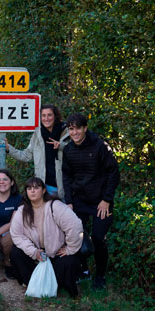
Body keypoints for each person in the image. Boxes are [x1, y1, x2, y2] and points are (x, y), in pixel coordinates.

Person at [62, 113, 120, 290]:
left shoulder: (100, 146)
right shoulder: (68, 150)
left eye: (78, 128)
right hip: (79, 201)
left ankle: (100, 276)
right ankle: (84, 270)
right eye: (71, 129)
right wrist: (69, 201)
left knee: (98, 238)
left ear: (85, 128)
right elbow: (66, 176)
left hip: (100, 202)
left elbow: (113, 172)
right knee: (75, 236)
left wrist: (106, 199)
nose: (75, 132)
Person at [10, 177, 83, 297]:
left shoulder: (55, 206)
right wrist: (34, 252)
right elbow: (16, 235)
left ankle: (57, 286)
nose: (32, 191)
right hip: (37, 253)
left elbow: (75, 226)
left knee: (68, 261)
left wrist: (70, 248)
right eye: (29, 188)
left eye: (36, 188)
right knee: (16, 252)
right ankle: (32, 283)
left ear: (44, 190)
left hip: (57, 252)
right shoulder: (22, 211)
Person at [4, 104, 70, 199]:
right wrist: (8, 148)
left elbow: (77, 153)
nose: (46, 118)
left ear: (55, 116)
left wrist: (61, 146)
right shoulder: (37, 134)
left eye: (49, 115)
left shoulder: (67, 132)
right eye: (43, 115)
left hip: (64, 188)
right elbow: (26, 156)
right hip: (44, 188)